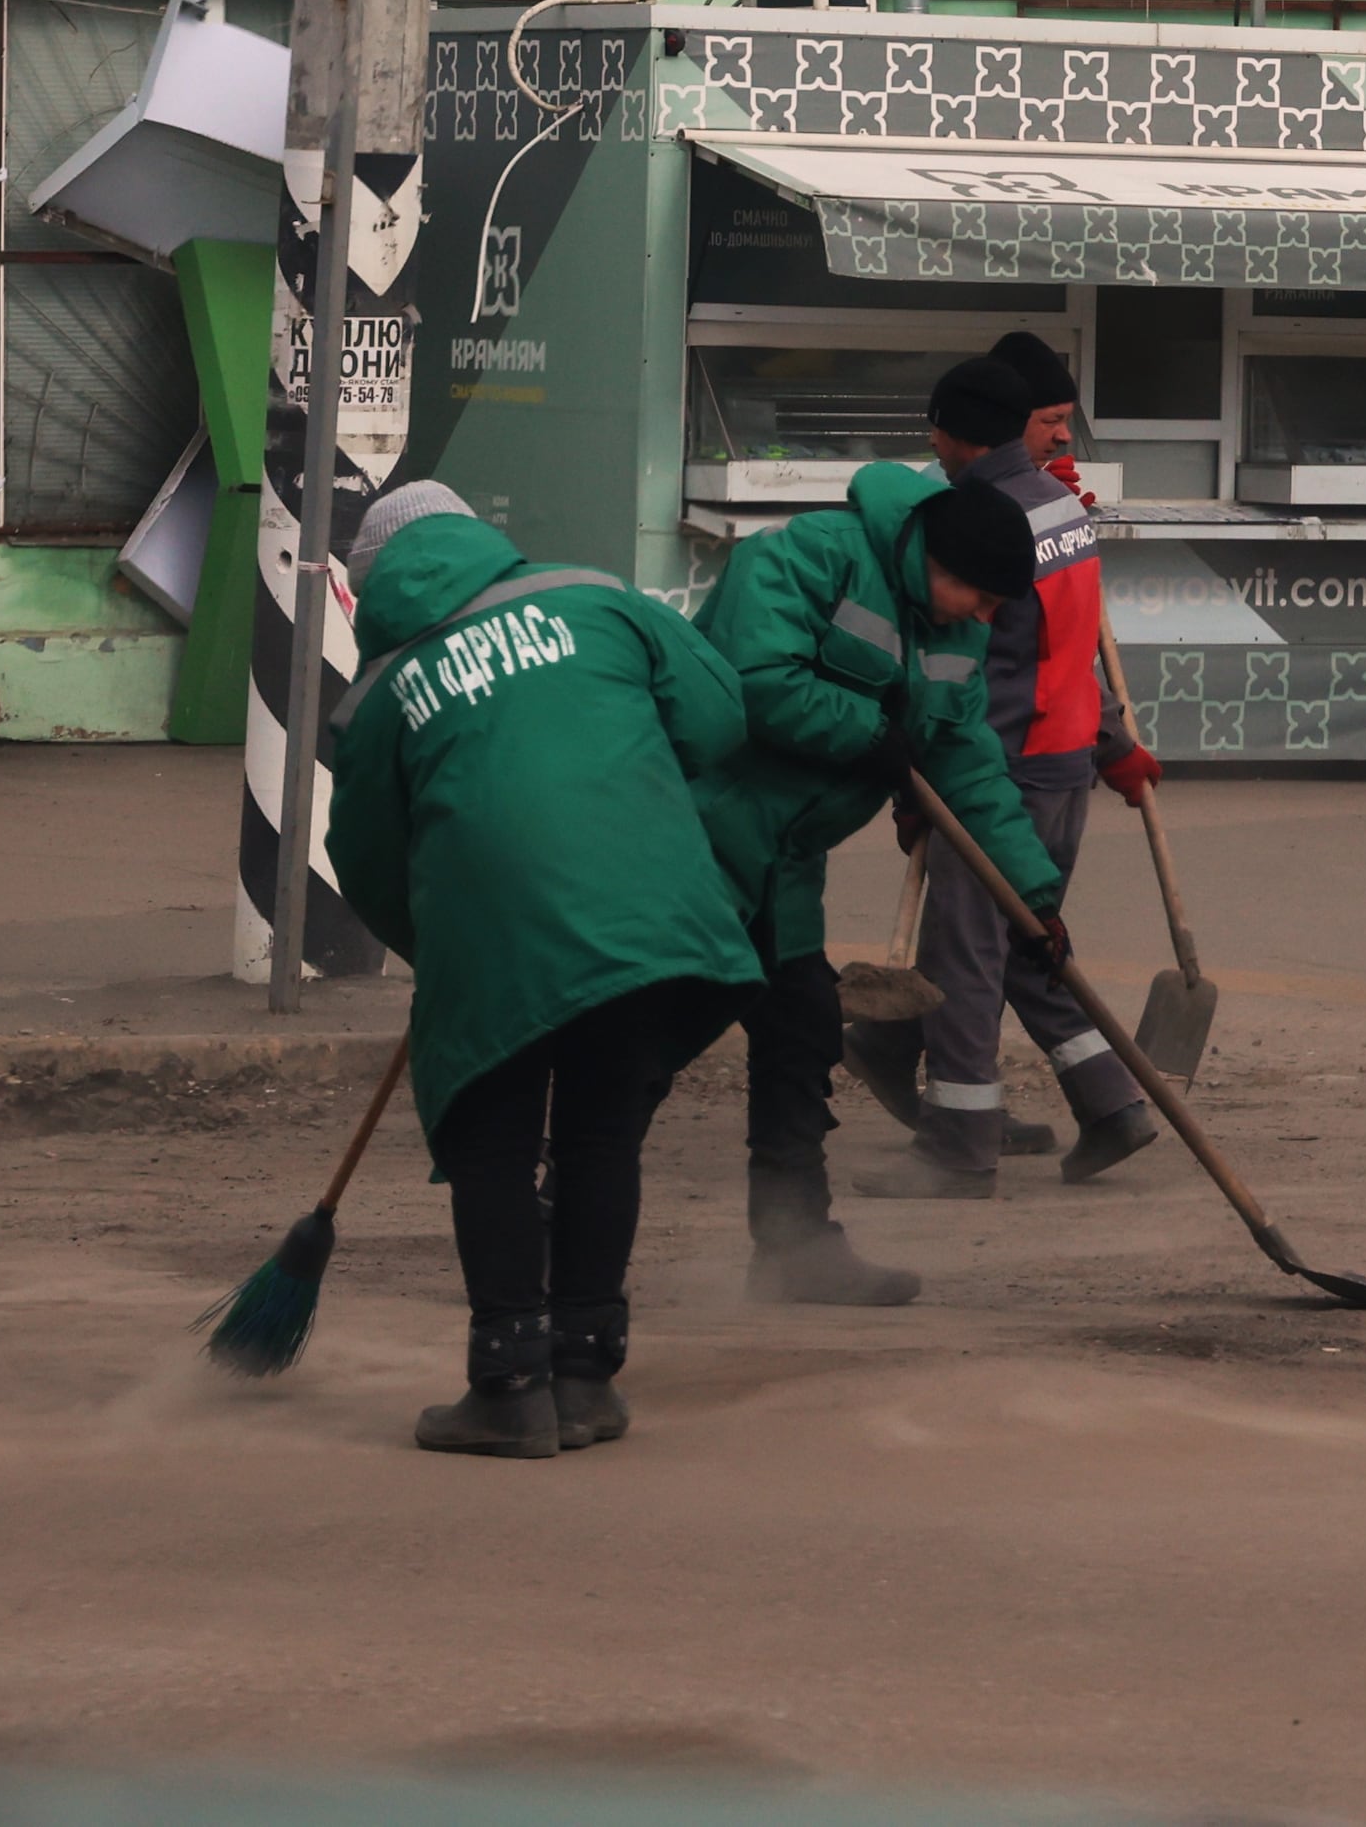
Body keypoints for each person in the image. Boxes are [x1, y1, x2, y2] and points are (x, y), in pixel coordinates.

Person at [320, 483, 768, 1460]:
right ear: (481, 538)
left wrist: (444, 946)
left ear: (374, 590)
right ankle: (586, 1377)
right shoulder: (596, 596)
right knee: (601, 1138)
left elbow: (362, 863)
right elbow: (718, 718)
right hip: (655, 923)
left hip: (494, 939)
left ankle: (510, 1388)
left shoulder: (381, 697)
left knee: (492, 1145)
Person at [695, 450, 1074, 1272]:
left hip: (786, 864)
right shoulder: (801, 556)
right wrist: (865, 729)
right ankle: (552, 1209)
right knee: (649, 1036)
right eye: (978, 593)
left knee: (800, 1033)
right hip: (695, 839)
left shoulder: (956, 633)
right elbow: (754, 677)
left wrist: (1031, 899)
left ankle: (796, 1249)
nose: (983, 615)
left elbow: (968, 765)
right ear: (937, 559)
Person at [841, 346, 1165, 1185]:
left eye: (939, 439)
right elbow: (1073, 647)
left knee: (966, 956)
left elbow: (971, 664)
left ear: (956, 438)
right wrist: (1112, 741)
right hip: (1062, 765)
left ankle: (958, 1142)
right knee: (1029, 946)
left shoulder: (975, 524)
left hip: (1001, 769)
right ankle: (1113, 1102)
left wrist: (926, 776)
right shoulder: (1062, 505)